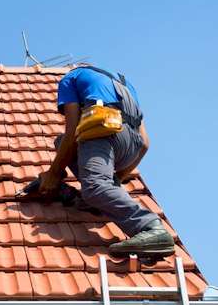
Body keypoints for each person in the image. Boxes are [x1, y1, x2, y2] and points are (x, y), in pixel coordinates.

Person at [38, 64, 175, 256]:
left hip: (104, 131)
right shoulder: (125, 85)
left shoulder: (70, 79)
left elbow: (71, 133)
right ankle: (104, 197)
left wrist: (53, 175)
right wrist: (117, 178)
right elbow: (145, 144)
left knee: (94, 186)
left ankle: (151, 228)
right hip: (131, 147)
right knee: (63, 144)